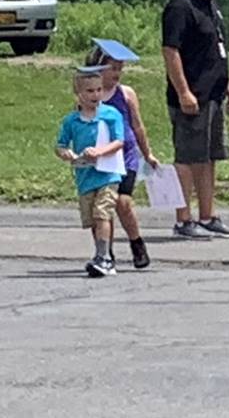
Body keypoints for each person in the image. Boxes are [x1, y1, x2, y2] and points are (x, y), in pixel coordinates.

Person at [161, 0, 229, 238]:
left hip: (214, 95)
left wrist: (227, 81)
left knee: (208, 156)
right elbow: (170, 51)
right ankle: (183, 219)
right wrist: (183, 91)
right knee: (188, 156)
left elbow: (214, 47)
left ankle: (208, 215)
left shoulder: (209, 5)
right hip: (192, 97)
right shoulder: (180, 7)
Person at [86, 38, 160, 270]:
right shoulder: (89, 95)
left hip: (125, 156)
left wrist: (147, 154)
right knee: (100, 206)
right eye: (113, 68)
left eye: (120, 68)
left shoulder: (126, 94)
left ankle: (137, 243)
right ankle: (104, 252)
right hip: (100, 158)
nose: (117, 73)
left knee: (123, 202)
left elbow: (138, 126)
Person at [56, 65, 129, 278]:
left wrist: (99, 152)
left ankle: (104, 257)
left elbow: (118, 141)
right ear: (78, 94)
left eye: (98, 90)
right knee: (92, 219)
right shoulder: (72, 120)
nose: (95, 95)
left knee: (102, 213)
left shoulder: (110, 115)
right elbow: (60, 145)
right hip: (85, 176)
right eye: (89, 91)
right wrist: (66, 153)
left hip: (107, 173)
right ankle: (100, 253)